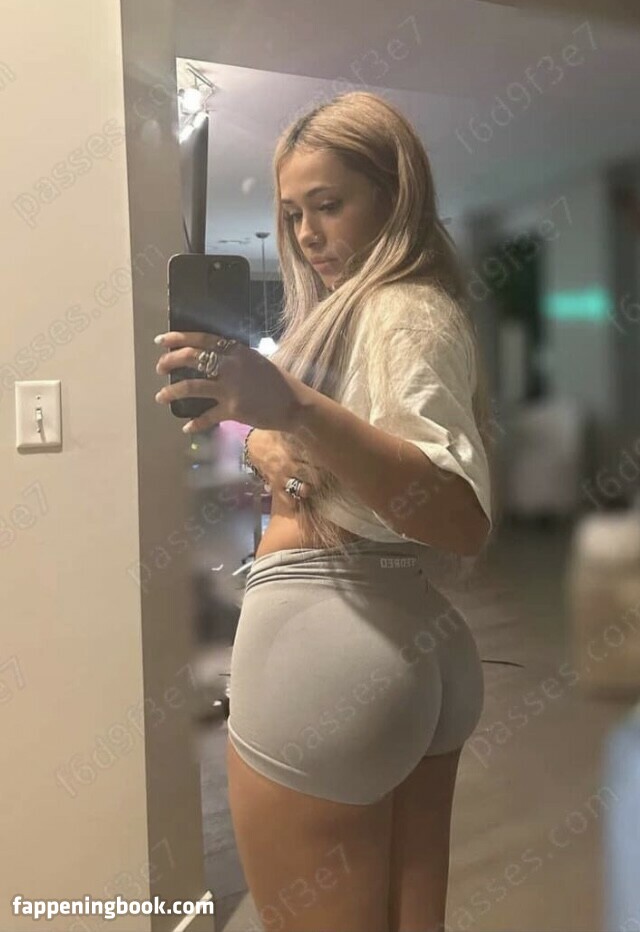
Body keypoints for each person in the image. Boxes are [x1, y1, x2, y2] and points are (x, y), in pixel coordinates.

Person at [155, 91, 497, 932]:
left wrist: (295, 410)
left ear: (395, 196)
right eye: (292, 214)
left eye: (329, 204)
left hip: (327, 650)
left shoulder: (403, 309)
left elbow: (458, 515)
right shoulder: (374, 313)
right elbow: (366, 468)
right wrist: (275, 440)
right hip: (397, 637)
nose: (307, 234)